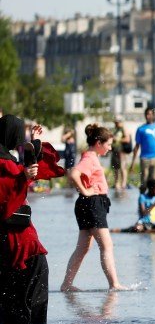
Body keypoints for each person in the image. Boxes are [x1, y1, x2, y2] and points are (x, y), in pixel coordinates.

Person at [0, 116, 65, 324]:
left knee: (13, 295)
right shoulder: (4, 163)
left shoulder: (9, 160)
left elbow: (30, 171)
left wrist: (35, 144)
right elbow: (8, 191)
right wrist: (22, 176)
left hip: (17, 239)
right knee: (16, 294)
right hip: (14, 240)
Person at [60, 124, 129, 292]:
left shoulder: (90, 156)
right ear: (98, 143)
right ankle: (114, 284)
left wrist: (85, 191)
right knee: (107, 245)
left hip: (89, 204)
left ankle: (66, 284)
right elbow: (74, 173)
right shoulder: (89, 158)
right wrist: (85, 190)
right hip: (92, 204)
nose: (110, 148)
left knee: (83, 247)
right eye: (108, 144)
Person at [129, 107, 155, 188]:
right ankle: (142, 198)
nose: (148, 116)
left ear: (154, 115)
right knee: (144, 182)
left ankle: (153, 200)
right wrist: (133, 163)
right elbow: (137, 146)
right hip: (145, 158)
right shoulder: (141, 129)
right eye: (147, 114)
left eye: (150, 114)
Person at [110, 117, 130, 191]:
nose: (116, 123)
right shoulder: (115, 130)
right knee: (115, 167)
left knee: (122, 167)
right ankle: (116, 183)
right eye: (115, 122)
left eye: (117, 122)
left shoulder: (123, 129)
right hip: (115, 151)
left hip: (121, 151)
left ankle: (123, 183)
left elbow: (127, 139)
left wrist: (117, 139)